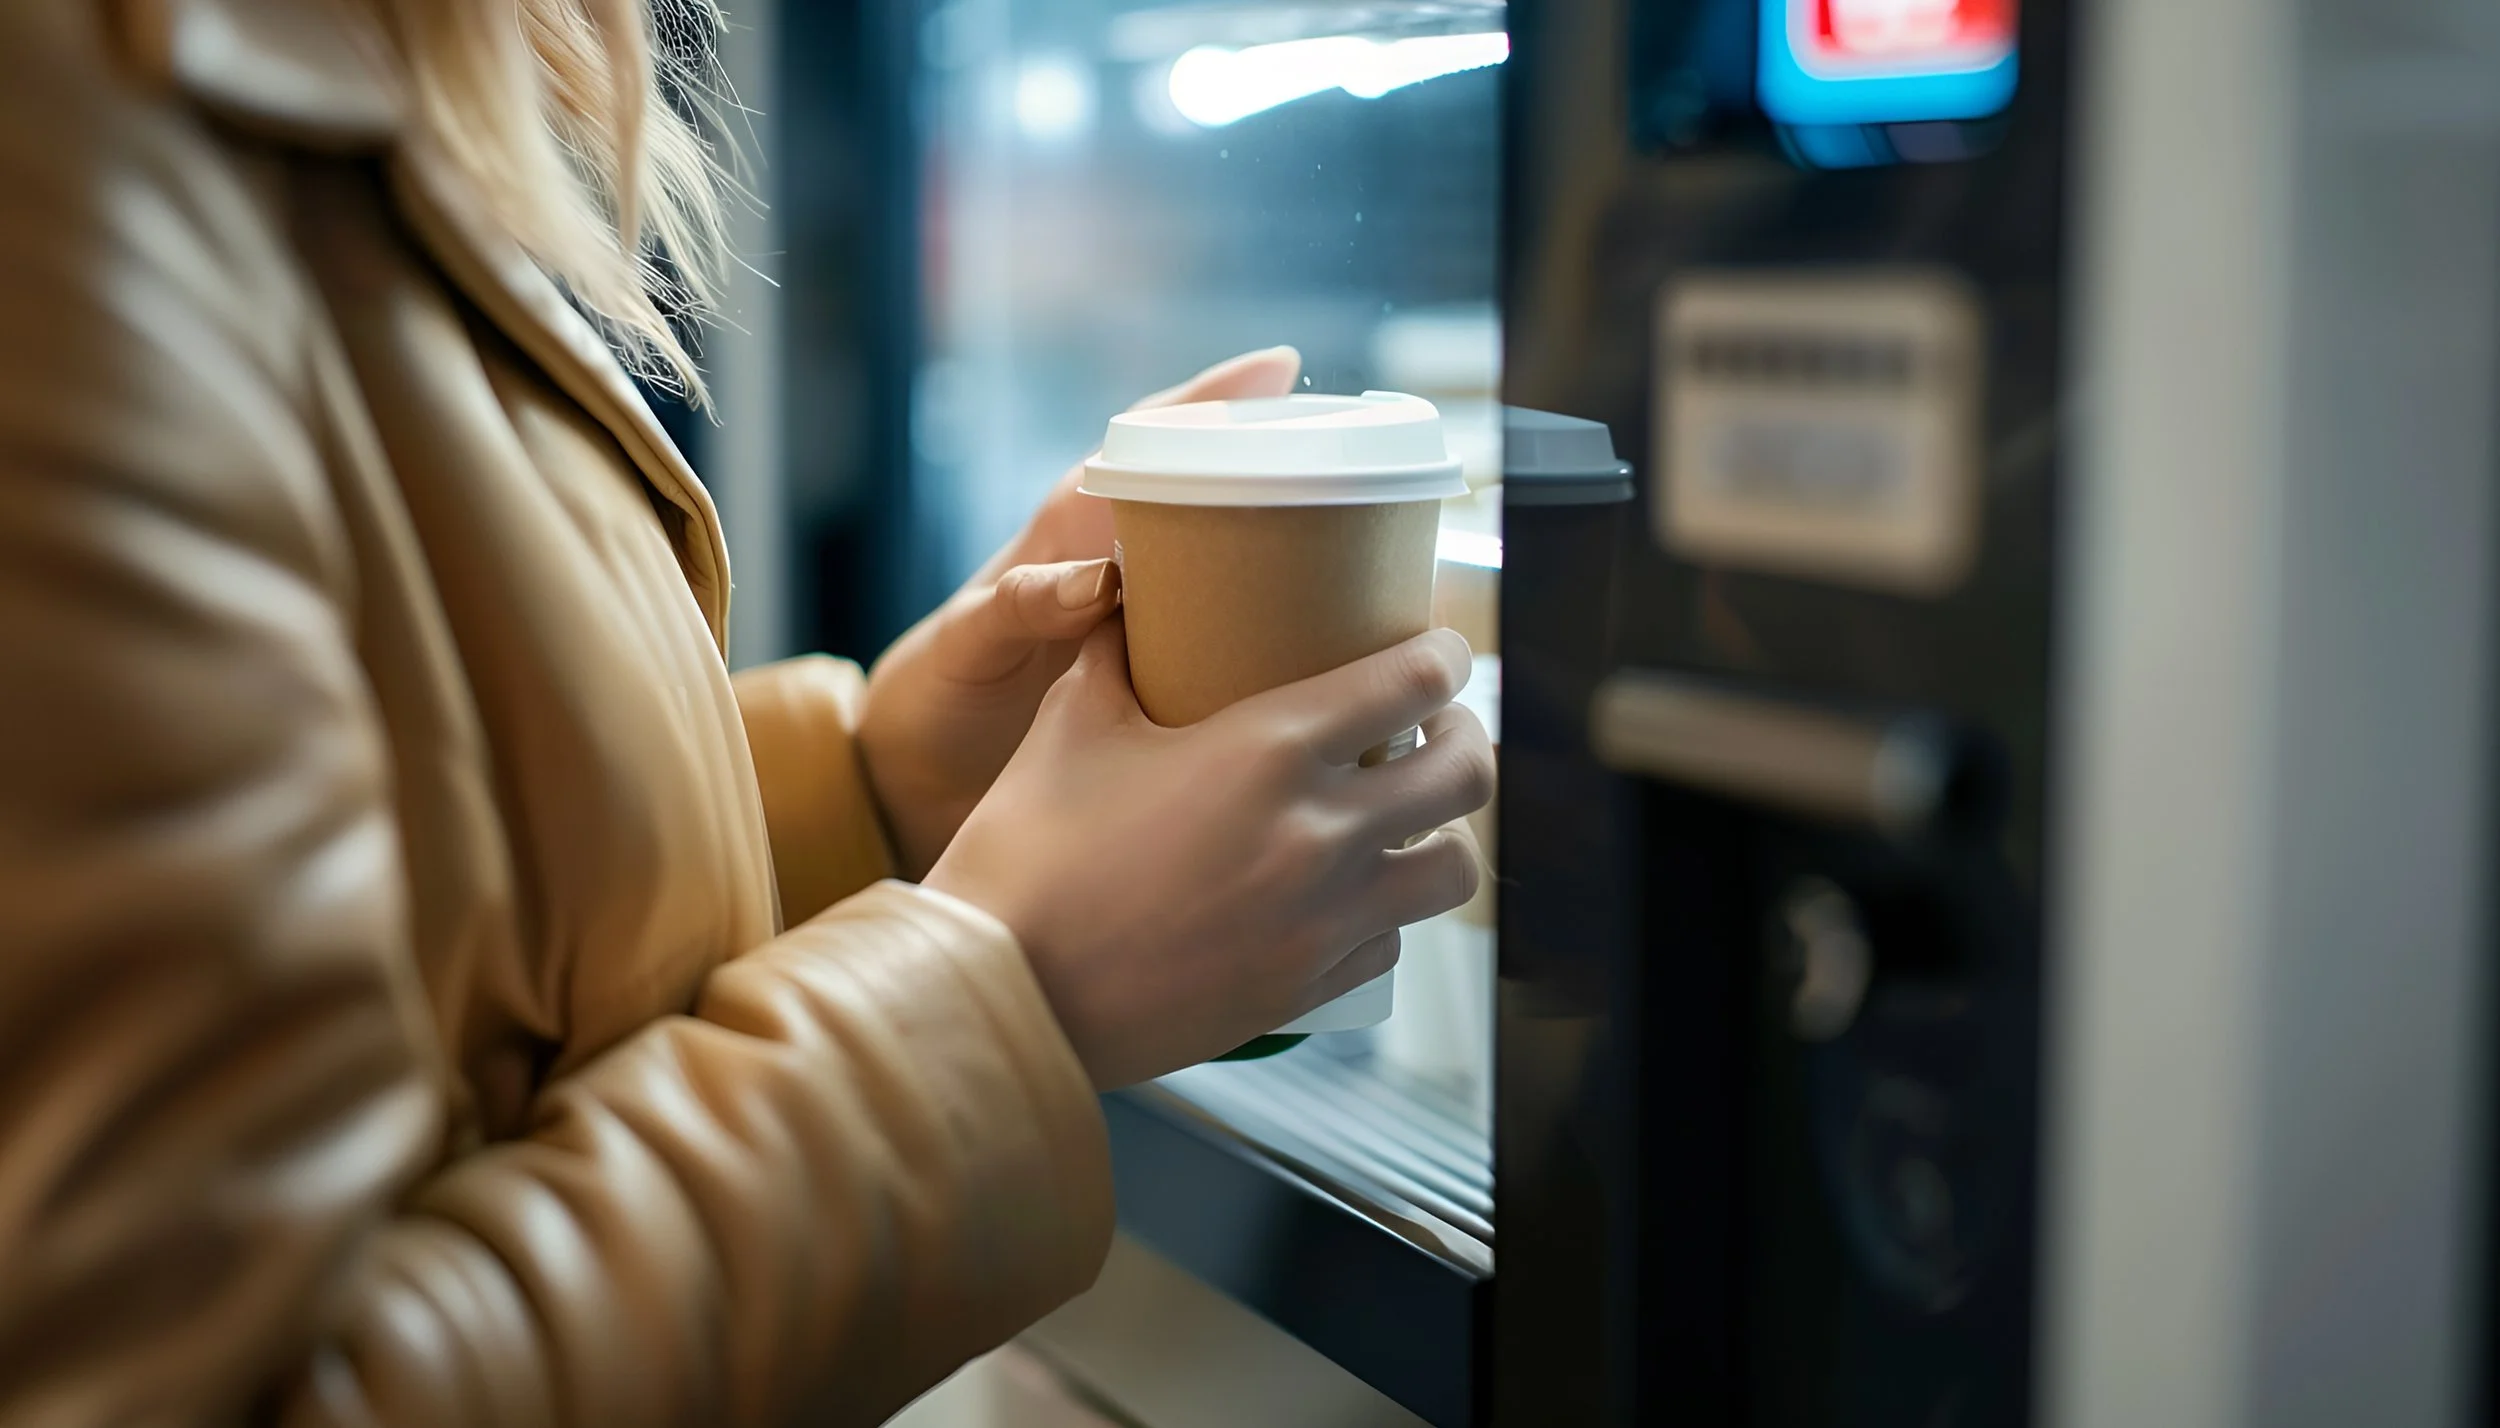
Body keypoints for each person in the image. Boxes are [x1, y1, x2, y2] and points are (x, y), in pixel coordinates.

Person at [0, 0, 1496, 1424]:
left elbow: (426, 882)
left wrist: (874, 795)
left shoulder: (309, 69)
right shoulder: (73, 140)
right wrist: (1005, 992)